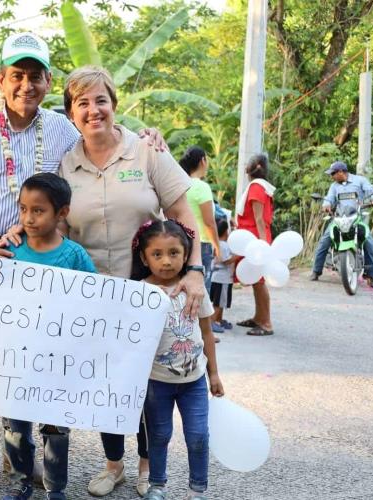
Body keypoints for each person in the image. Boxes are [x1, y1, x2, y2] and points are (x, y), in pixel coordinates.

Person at [0, 34, 168, 500]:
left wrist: (148, 137)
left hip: (44, 263)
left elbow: (103, 132)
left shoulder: (61, 128)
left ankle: (24, 460)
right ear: (0, 80)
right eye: (16, 75)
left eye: (36, 76)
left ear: (46, 82)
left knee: (36, 364)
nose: (26, 84)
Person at [57, 66, 207, 497]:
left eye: (100, 100)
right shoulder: (66, 164)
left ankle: (146, 466)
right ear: (71, 112)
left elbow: (182, 214)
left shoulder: (146, 152)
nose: (92, 110)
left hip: (149, 296)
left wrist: (194, 269)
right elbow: (62, 232)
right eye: (82, 102)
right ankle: (113, 464)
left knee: (148, 385)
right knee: (107, 384)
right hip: (95, 299)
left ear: (114, 104)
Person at [0, 174, 95, 500]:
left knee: (56, 430)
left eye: (38, 211)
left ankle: (55, 490)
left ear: (62, 213)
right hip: (16, 360)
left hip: (57, 361)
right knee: (14, 430)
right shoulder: (9, 251)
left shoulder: (75, 256)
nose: (28, 218)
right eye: (23, 209)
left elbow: (97, 302)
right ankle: (25, 480)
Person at [128, 219, 224, 500]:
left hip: (194, 382)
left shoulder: (195, 289)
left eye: (174, 253)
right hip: (156, 382)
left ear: (186, 255)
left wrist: (214, 374)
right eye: (157, 254)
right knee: (158, 436)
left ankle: (198, 489)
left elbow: (207, 333)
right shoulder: (139, 292)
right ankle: (157, 486)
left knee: (198, 437)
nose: (166, 261)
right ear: (144, 258)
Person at [310, 161, 373, 289]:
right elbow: (329, 199)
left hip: (357, 218)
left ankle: (369, 276)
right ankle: (316, 271)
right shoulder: (334, 186)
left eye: (333, 174)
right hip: (339, 218)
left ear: (341, 172)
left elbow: (372, 191)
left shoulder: (360, 180)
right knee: (325, 240)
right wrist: (326, 205)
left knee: (369, 242)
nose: (332, 177)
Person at [234, 154, 275, 337]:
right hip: (252, 238)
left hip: (255, 240)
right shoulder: (259, 186)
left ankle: (266, 323)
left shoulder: (257, 187)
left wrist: (262, 244)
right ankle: (259, 317)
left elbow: (258, 218)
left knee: (259, 281)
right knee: (255, 281)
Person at [178, 147, 222, 293]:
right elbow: (209, 222)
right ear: (203, 161)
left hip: (180, 243)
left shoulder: (179, 184)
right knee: (201, 291)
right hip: (201, 244)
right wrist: (217, 246)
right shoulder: (201, 187)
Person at [209, 219, 235, 334]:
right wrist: (238, 256)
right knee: (219, 303)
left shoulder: (216, 243)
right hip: (222, 278)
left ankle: (219, 320)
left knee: (221, 301)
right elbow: (225, 261)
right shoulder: (223, 245)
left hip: (219, 277)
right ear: (226, 231)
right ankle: (212, 322)